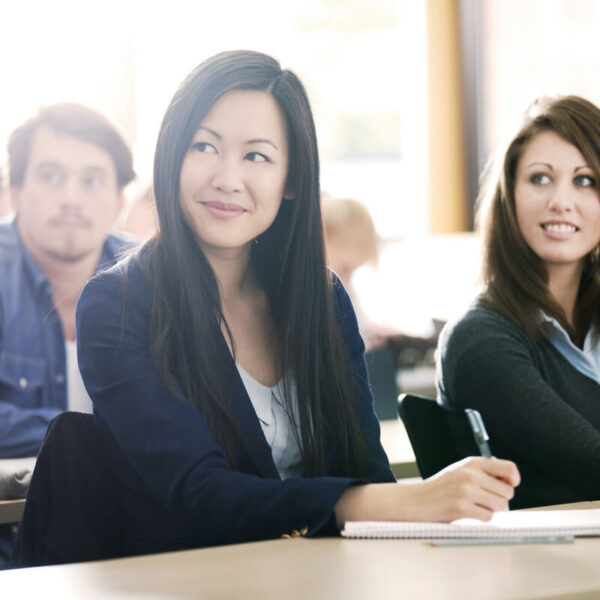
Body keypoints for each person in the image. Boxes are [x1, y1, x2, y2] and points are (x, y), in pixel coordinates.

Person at [76, 50, 518, 556]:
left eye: (256, 156)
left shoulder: (324, 300)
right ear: (171, 156)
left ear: (290, 182)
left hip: (324, 580)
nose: (226, 177)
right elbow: (201, 498)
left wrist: (414, 507)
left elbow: (365, 470)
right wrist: (412, 500)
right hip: (186, 584)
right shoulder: (118, 305)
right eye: (204, 146)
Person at [437, 95, 600, 509]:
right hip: (543, 571)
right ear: (508, 195)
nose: (561, 201)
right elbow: (589, 464)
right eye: (540, 178)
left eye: (585, 180)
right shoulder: (480, 339)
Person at [0, 102, 136, 459]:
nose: (71, 199)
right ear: (15, 193)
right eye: (50, 177)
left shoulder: (153, 278)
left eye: (92, 181)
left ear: (119, 201)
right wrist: (89, 434)